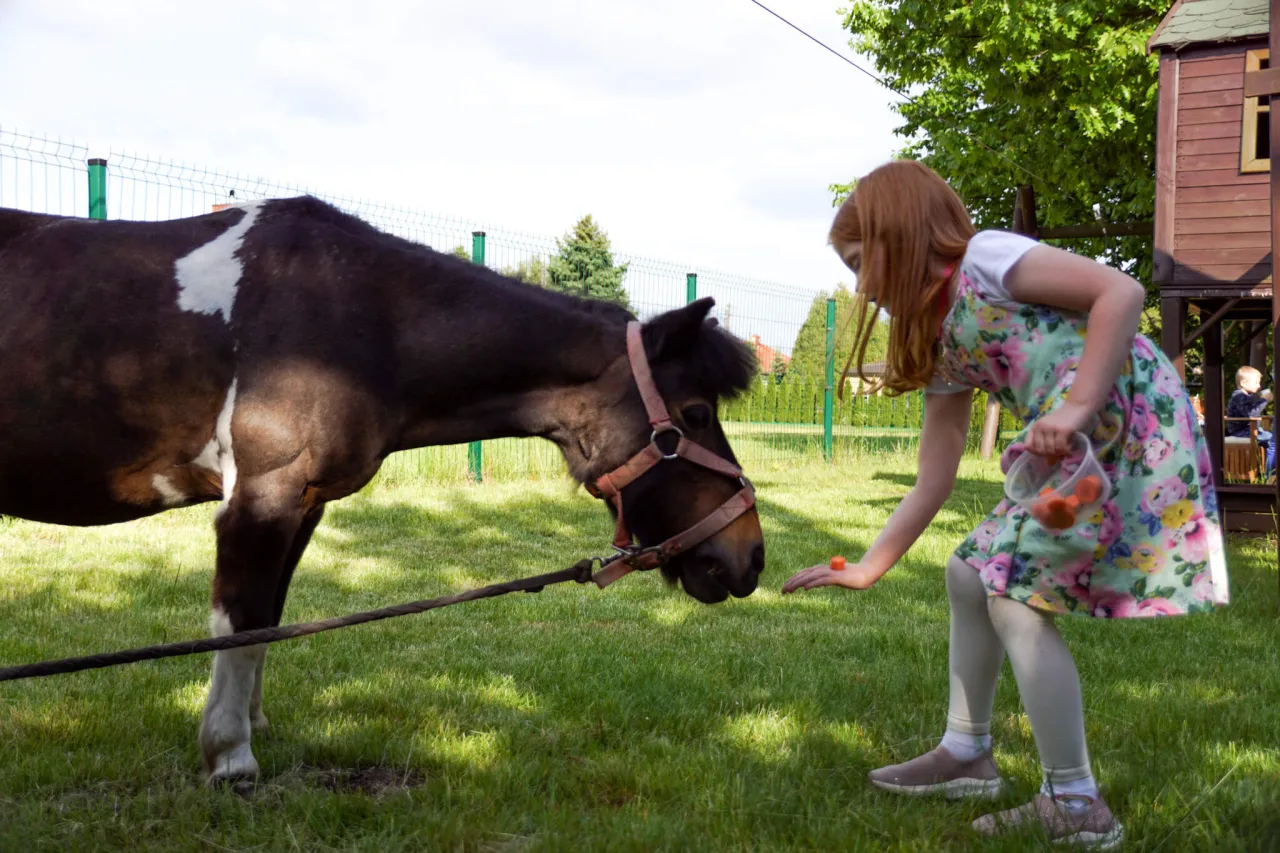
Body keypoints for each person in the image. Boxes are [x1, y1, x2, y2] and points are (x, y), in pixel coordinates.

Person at [782, 160, 1229, 847]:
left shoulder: (989, 259)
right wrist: (870, 566)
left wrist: (1077, 405)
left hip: (1123, 421)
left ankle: (1077, 802)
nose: (860, 285)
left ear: (900, 233)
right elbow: (934, 476)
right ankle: (967, 750)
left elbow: (1120, 290)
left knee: (1013, 595)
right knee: (969, 571)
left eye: (858, 260)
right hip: (1071, 450)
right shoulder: (935, 338)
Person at [1226, 365, 1274, 474]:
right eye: (1256, 382)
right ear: (1243, 383)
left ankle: (1266, 470)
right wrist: (1264, 400)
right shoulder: (1239, 396)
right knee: (1272, 440)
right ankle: (1270, 473)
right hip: (1241, 432)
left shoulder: (1244, 396)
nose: (1259, 385)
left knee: (1270, 439)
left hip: (1249, 430)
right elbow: (1251, 414)